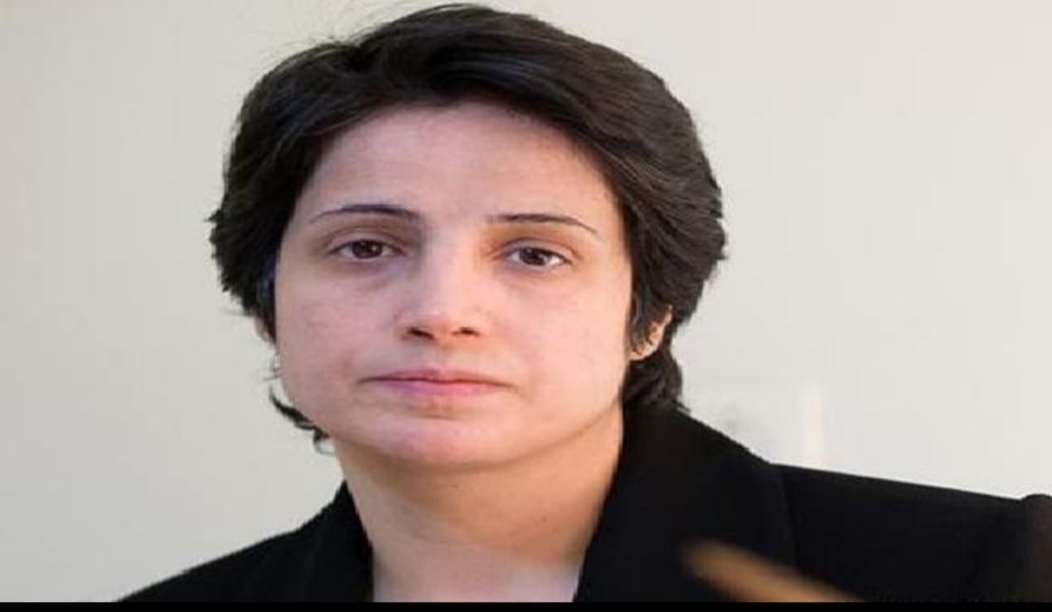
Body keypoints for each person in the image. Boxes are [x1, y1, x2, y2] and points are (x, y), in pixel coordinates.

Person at [123, 4, 1052, 602]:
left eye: (535, 254)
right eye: (366, 247)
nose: (442, 310)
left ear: (650, 313)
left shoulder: (986, 570)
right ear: (263, 297)